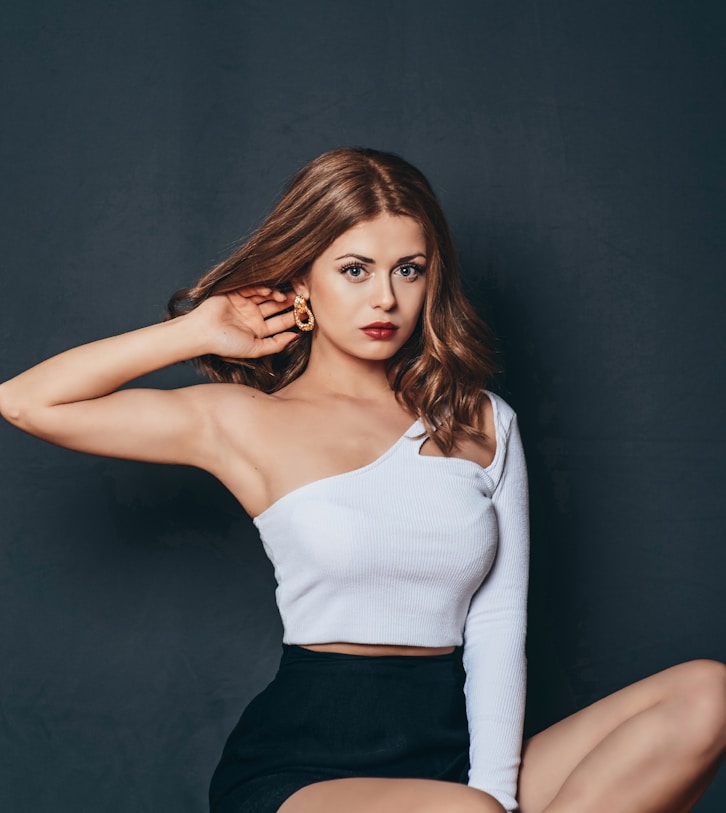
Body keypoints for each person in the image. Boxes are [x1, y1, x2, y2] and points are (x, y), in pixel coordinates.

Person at [0, 147, 724, 813]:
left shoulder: (481, 420)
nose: (385, 298)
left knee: (708, 693)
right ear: (300, 279)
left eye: (408, 268)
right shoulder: (242, 420)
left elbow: (498, 626)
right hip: (305, 768)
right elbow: (25, 401)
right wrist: (197, 331)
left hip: (455, 756)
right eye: (355, 269)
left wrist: (494, 792)